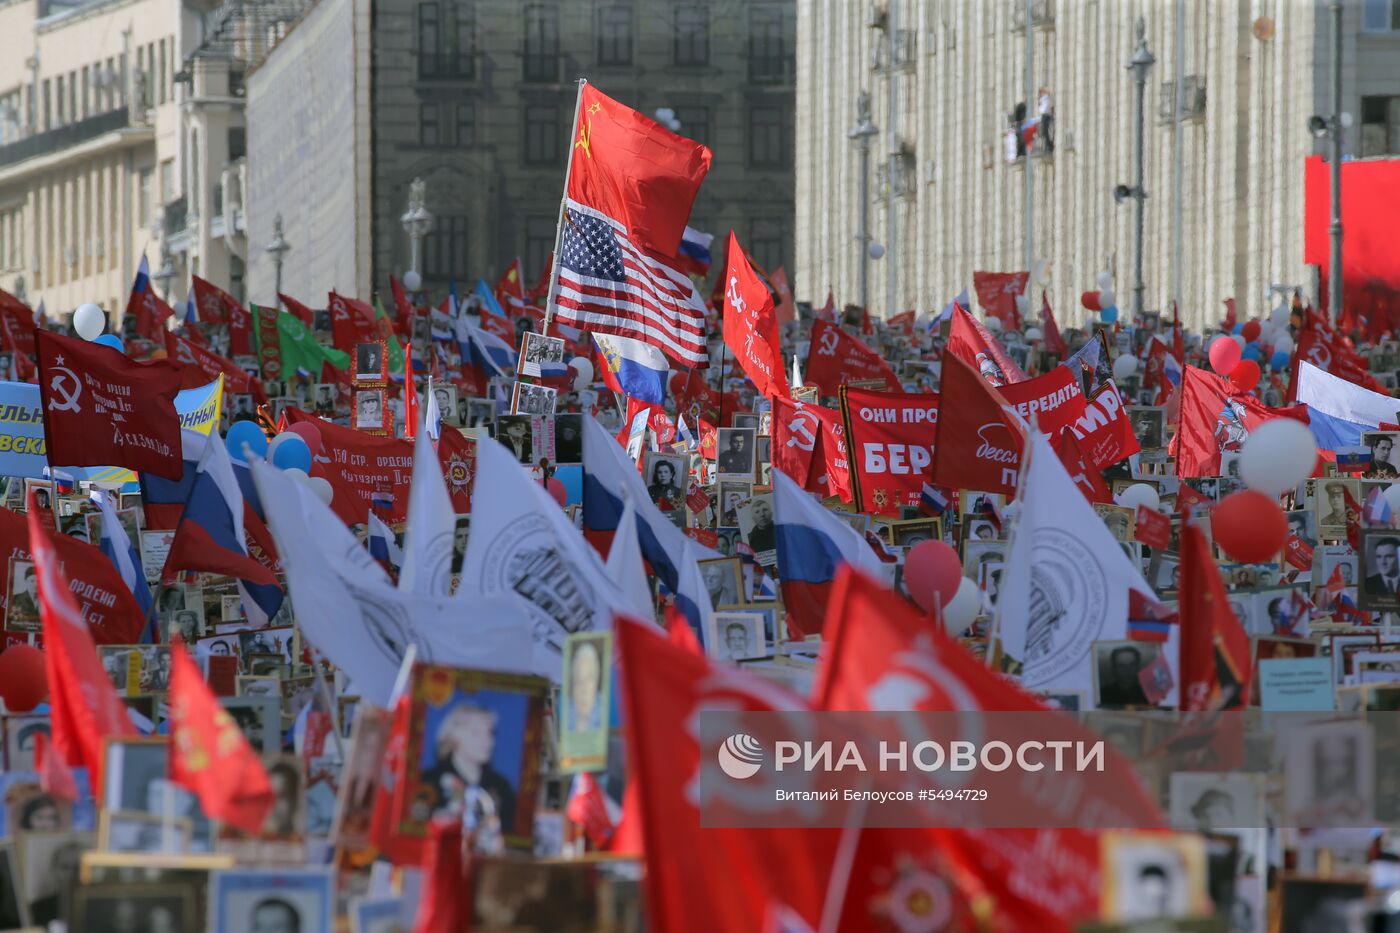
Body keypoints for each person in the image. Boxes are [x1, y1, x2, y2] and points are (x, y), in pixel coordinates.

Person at [420, 701, 517, 829]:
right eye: (475, 733)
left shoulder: (501, 786)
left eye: (489, 733)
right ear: (454, 736)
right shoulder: (429, 781)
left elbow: (510, 833)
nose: (487, 741)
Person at [566, 639, 604, 732]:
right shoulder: (566, 711)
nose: (584, 689)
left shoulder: (605, 711)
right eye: (579, 679)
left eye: (589, 678)